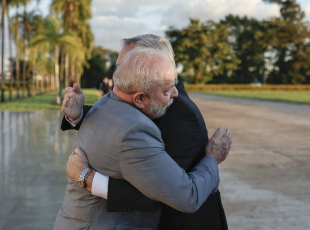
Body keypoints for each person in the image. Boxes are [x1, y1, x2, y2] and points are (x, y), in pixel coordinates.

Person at [60, 34, 230, 229]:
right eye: (120, 65)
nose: (121, 73)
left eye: (126, 64)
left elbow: (165, 192)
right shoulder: (128, 98)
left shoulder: (181, 117)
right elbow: (110, 118)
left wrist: (88, 178)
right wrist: (77, 116)